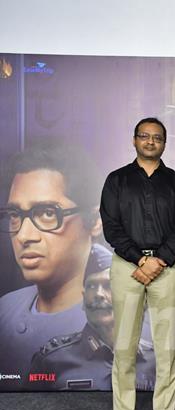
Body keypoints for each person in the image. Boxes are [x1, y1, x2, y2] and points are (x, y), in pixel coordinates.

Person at [99, 117, 175, 410]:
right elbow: (111, 227)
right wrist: (140, 259)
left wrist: (160, 259)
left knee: (166, 347)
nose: (151, 142)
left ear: (164, 143)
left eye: (157, 138)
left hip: (166, 267)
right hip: (128, 267)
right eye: (144, 136)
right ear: (134, 140)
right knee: (124, 345)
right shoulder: (117, 180)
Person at [0, 143, 105, 388]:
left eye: (47, 213)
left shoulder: (122, 320)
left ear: (95, 221)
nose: (25, 236)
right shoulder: (4, 310)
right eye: (15, 215)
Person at [28, 249, 156, 391]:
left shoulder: (156, 361)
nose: (98, 294)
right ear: (83, 300)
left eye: (108, 285)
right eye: (92, 286)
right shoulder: (52, 360)